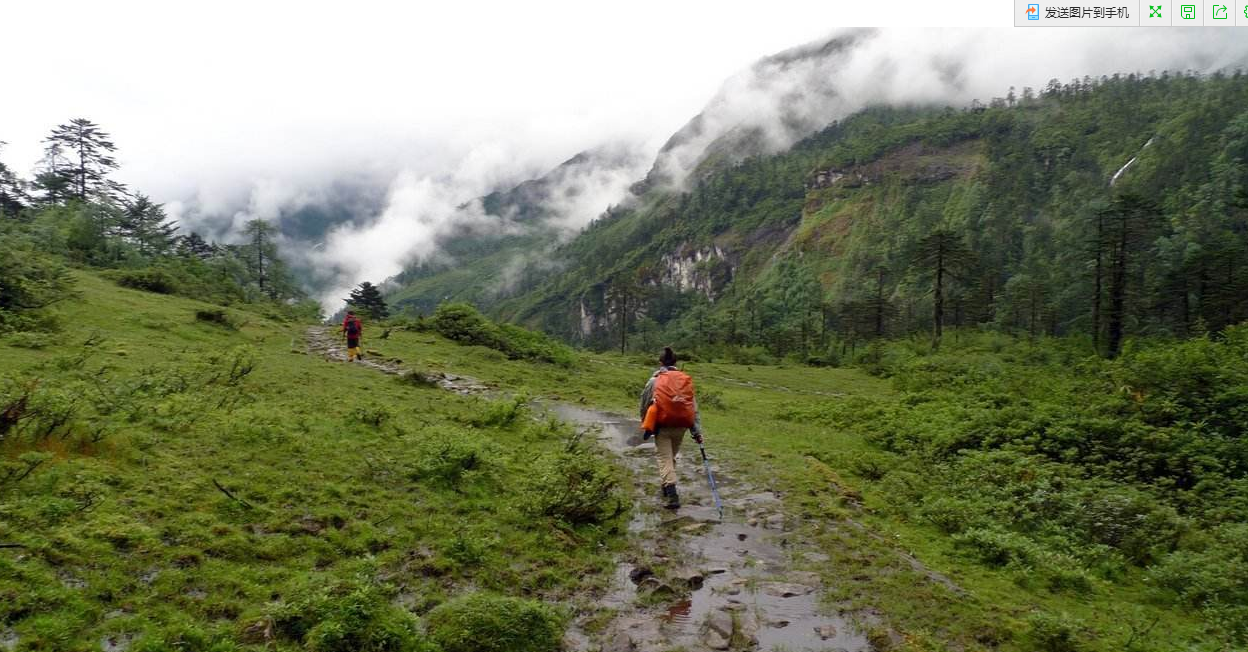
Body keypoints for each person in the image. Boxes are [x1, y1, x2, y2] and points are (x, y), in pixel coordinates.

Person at [639, 346, 703, 509]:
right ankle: (666, 486)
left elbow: (644, 403)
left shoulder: (654, 381)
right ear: (676, 363)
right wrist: (696, 432)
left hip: (663, 426)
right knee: (670, 457)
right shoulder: (684, 380)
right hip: (681, 426)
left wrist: (647, 424)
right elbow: (693, 408)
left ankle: (673, 495)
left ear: (660, 363)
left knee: (664, 458)